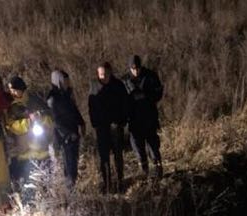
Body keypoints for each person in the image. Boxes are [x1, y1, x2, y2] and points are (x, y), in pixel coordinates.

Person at [4, 75, 54, 195]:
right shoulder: (12, 107)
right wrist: (29, 122)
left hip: (42, 150)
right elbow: (12, 126)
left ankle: (49, 201)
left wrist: (41, 120)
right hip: (25, 153)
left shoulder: (34, 101)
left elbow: (49, 118)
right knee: (29, 187)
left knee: (47, 183)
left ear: (21, 89)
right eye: (11, 90)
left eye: (14, 90)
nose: (13, 93)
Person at [88, 62, 129, 193]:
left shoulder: (118, 85)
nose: (103, 77)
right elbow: (91, 106)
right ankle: (107, 184)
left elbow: (125, 103)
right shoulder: (94, 86)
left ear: (110, 72)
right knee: (104, 157)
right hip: (101, 127)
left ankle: (120, 181)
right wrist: (95, 123)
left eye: (105, 74)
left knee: (118, 155)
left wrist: (122, 121)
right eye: (100, 74)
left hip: (116, 125)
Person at [124, 55, 164, 178]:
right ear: (130, 68)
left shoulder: (150, 76)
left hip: (149, 117)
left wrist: (145, 96)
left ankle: (158, 170)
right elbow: (120, 101)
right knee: (138, 148)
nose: (136, 71)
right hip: (134, 120)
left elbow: (159, 93)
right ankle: (144, 172)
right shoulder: (125, 80)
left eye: (138, 68)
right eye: (133, 69)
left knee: (153, 146)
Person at [47, 69, 86, 186]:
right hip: (64, 137)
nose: (67, 83)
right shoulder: (53, 99)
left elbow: (74, 110)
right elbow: (55, 121)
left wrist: (81, 123)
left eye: (67, 81)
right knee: (69, 164)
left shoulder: (67, 94)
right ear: (58, 81)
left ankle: (73, 186)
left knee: (74, 162)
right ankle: (70, 190)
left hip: (73, 132)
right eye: (65, 81)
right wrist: (68, 134)